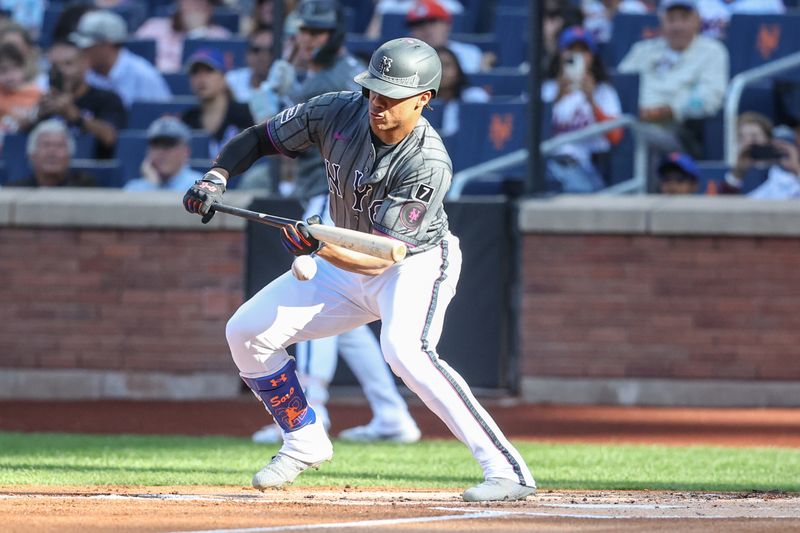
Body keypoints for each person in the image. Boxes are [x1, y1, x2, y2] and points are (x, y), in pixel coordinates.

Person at [182, 37, 536, 502]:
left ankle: (507, 470)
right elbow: (259, 138)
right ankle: (304, 438)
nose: (378, 102)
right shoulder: (336, 110)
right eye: (374, 89)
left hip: (413, 264)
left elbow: (382, 257)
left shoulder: (427, 162)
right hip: (341, 250)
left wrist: (318, 245)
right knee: (246, 331)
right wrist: (216, 177)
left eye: (392, 95)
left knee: (406, 351)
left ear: (424, 100)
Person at [248, 0, 421, 446]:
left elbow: (280, 132)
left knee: (311, 298)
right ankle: (391, 413)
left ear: (335, 36)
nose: (309, 39)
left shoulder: (336, 79)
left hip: (337, 197)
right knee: (348, 320)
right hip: (329, 192)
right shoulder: (327, 73)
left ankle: (314, 409)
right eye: (305, 31)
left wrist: (275, 96)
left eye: (318, 33)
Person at [617, 0, 728, 160]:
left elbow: (710, 98)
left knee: (634, 136)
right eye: (671, 19)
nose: (677, 26)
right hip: (631, 119)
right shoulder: (643, 49)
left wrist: (669, 110)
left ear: (696, 21)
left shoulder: (712, 51)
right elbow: (620, 83)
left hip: (676, 129)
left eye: (684, 18)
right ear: (662, 22)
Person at [542, 26, 622, 193]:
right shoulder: (547, 88)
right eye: (571, 50)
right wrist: (558, 96)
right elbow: (529, 132)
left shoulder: (603, 91)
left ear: (592, 56)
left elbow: (615, 137)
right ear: (560, 54)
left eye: (583, 51)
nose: (577, 56)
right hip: (546, 162)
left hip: (584, 164)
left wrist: (591, 100)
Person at [35, 40, 126, 159]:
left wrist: (75, 116)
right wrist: (37, 117)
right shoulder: (45, 100)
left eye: (68, 64)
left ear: (85, 64)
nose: (62, 71)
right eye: (55, 66)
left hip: (93, 170)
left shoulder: (107, 98)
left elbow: (110, 138)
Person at [70, 10, 172, 108]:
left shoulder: (143, 75)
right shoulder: (81, 74)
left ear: (108, 44)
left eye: (88, 46)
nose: (82, 51)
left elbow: (164, 116)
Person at [181, 47, 254, 159]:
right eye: (195, 72)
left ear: (223, 78)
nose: (201, 78)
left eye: (209, 71)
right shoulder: (187, 119)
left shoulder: (245, 114)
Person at [135, 0, 231, 74]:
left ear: (210, 9)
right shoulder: (153, 27)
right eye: (191, 1)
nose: (195, 7)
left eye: (202, 3)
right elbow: (134, 63)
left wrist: (197, 32)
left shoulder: (220, 36)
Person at [723, 112, 800, 199]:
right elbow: (722, 204)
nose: (748, 142)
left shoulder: (785, 173)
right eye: (741, 137)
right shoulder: (734, 176)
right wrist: (738, 171)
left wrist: (796, 168)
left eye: (754, 136)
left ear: (769, 140)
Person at [6, 119, 95, 187]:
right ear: (31, 155)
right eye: (46, 145)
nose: (52, 152)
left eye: (59, 145)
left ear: (70, 155)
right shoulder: (15, 191)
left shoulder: (84, 189)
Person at [124, 116, 203, 191]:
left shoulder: (199, 186)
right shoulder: (134, 188)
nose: (161, 152)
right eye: (156, 146)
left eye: (168, 145)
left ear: (186, 151)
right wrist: (152, 185)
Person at [406, 0, 484, 73]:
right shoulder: (402, 58)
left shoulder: (470, 54)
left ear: (447, 25)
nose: (426, 29)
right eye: (418, 24)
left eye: (432, 22)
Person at [435, 45, 489, 137]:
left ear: (457, 70)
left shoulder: (474, 97)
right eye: (436, 66)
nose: (442, 71)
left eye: (447, 65)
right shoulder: (416, 103)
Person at [226, 27, 275, 104]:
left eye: (270, 51)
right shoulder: (231, 81)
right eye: (256, 50)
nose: (263, 57)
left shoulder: (288, 87)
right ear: (247, 55)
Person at [0, 41, 41, 133]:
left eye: (15, 68)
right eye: (3, 71)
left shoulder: (38, 94)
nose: (10, 77)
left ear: (23, 67)